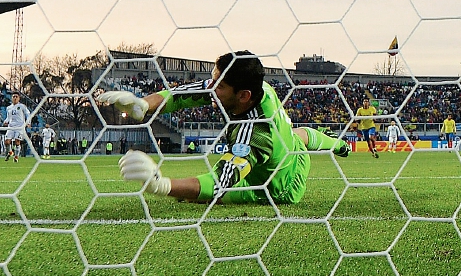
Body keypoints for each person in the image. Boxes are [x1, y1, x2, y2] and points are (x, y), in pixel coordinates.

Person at [96, 51, 348, 205]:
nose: (210, 88)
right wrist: (143, 105)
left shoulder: (257, 134)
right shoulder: (252, 86)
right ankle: (340, 144)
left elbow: (220, 183)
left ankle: (336, 143)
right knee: (297, 138)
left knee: (198, 197)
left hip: (278, 187)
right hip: (289, 149)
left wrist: (164, 185)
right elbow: (181, 95)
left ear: (243, 96)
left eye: (218, 86)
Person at [3, 94, 31, 162]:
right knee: (7, 142)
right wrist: (6, 121)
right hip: (11, 126)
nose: (15, 98)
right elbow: (8, 117)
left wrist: (28, 122)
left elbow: (28, 113)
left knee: (17, 142)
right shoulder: (9, 107)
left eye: (16, 97)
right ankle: (10, 152)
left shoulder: (22, 106)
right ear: (11, 98)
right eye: (13, 97)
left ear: (19, 98)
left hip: (20, 127)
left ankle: (16, 157)